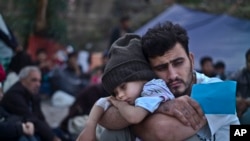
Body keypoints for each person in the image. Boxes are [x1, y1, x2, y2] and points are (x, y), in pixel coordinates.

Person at [98, 21, 239, 141]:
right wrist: (161, 107)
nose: (172, 75)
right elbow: (104, 117)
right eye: (161, 67)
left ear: (191, 59)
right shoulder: (151, 87)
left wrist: (138, 114)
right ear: (151, 70)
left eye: (178, 63)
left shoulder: (216, 89)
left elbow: (162, 131)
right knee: (113, 133)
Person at [76, 34, 175, 141]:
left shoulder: (154, 88)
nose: (120, 96)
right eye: (115, 93)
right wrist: (89, 128)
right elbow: (102, 102)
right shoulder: (133, 94)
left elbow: (134, 117)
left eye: (123, 87)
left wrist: (119, 104)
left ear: (140, 75)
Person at [0, 66, 61, 141]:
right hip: (15, 131)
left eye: (39, 81)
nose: (38, 84)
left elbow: (40, 118)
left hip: (29, 128)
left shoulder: (33, 93)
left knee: (58, 132)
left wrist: (52, 135)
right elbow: (30, 117)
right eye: (34, 80)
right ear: (22, 80)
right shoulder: (14, 95)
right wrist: (52, 138)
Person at [229, 48, 250, 124]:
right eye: (249, 61)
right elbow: (226, 90)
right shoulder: (238, 74)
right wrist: (237, 100)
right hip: (239, 106)